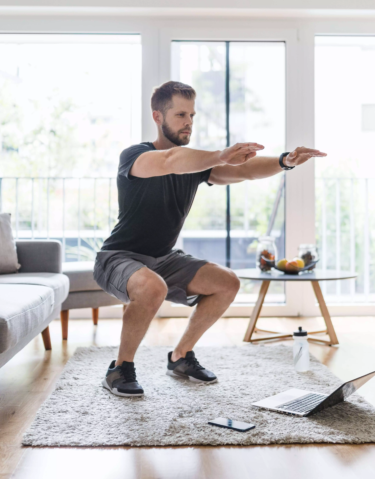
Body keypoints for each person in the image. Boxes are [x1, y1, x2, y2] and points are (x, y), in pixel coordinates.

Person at [94, 81, 326, 397]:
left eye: (192, 115)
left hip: (163, 258)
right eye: (180, 114)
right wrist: (219, 155)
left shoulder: (197, 166)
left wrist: (284, 161)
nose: (189, 122)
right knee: (152, 287)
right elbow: (169, 161)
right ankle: (120, 368)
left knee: (226, 282)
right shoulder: (135, 155)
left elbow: (244, 171)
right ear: (158, 117)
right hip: (118, 258)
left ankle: (180, 357)